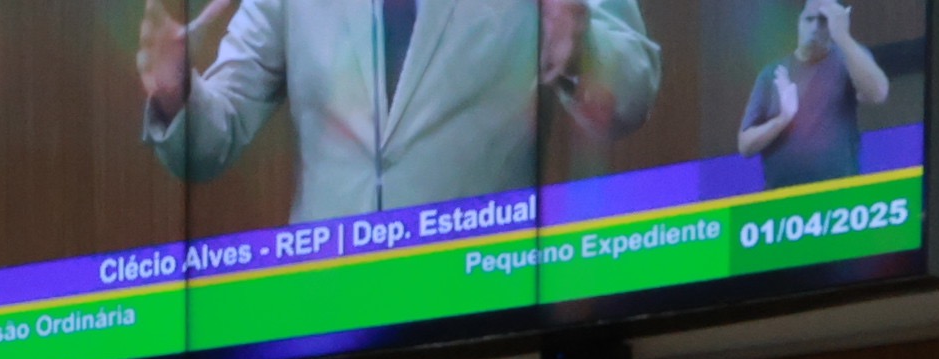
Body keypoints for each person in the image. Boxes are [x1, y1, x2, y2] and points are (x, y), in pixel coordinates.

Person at [140, 0, 657, 222]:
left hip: (482, 299)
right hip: (324, 309)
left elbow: (633, 93)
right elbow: (210, 142)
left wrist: (583, 49)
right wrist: (174, 93)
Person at [735, 0, 889, 184]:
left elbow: (878, 94)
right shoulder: (772, 74)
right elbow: (745, 145)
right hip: (783, 196)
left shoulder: (848, 57)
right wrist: (782, 119)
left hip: (839, 192)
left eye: (823, 21)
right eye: (809, 19)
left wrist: (843, 36)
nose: (815, 27)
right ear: (798, 22)